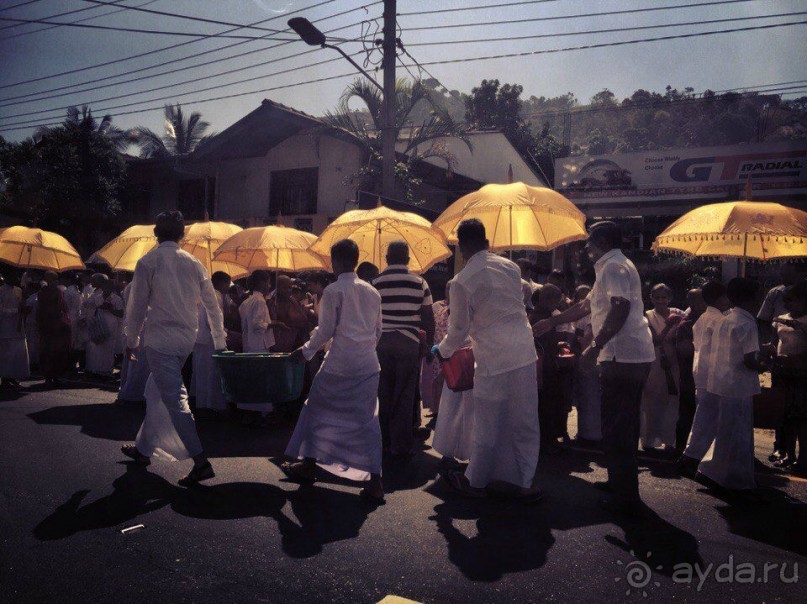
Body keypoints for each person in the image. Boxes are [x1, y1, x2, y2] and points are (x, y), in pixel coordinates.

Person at [534, 221, 655, 515]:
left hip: (622, 356)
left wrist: (597, 345)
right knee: (617, 425)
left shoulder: (614, 267)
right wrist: (552, 321)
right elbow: (586, 307)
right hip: (626, 355)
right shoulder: (611, 267)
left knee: (619, 427)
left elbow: (620, 307)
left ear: (601, 241)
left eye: (589, 241)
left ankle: (625, 497)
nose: (586, 246)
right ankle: (620, 484)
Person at [435, 219, 541, 501]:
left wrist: (441, 351)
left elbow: (458, 331)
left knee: (486, 425)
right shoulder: (511, 267)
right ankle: (525, 484)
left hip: (492, 360)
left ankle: (477, 483)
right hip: (524, 352)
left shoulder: (461, 281)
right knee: (525, 421)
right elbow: (519, 298)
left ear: (460, 246)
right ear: (486, 242)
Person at [121, 210, 226, 486]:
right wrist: (220, 342)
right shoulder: (194, 263)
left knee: (175, 399)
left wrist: (131, 341)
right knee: (154, 391)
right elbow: (213, 306)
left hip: (159, 341)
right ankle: (143, 450)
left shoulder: (148, 261)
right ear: (182, 235)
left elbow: (136, 308)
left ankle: (201, 463)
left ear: (156, 234)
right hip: (184, 341)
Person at [282, 239, 385, 504]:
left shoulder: (333, 290)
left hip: (339, 364)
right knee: (367, 421)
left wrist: (304, 352)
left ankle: (309, 463)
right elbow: (377, 332)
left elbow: (326, 331)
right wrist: (361, 350)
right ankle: (375, 482)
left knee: (315, 409)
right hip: (367, 365)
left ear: (335, 261)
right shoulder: (372, 292)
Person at [698, 278, 770, 491]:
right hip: (738, 385)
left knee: (726, 431)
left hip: (723, 383)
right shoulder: (746, 322)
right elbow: (749, 360)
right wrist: (766, 364)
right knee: (739, 435)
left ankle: (714, 471)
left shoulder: (726, 318)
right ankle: (737, 482)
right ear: (753, 298)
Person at [374, 241, 435, 458]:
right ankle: (400, 446)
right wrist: (429, 345)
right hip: (409, 343)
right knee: (404, 395)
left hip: (382, 343)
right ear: (408, 260)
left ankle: (383, 442)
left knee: (383, 393)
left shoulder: (376, 283)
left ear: (387, 258)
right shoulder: (419, 282)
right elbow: (428, 316)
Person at [678, 281, 731, 475]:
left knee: (704, 417)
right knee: (707, 419)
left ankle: (694, 455)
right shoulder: (719, 320)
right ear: (720, 298)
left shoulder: (704, 318)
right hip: (713, 375)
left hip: (702, 373)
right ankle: (692, 457)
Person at [431, 278, 475, 463]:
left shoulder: (460, 310)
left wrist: (441, 349)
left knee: (452, 410)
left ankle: (449, 453)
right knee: (467, 411)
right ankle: (465, 453)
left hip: (458, 361)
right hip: (471, 362)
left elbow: (456, 334)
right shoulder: (475, 308)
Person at [640, 284, 686, 451]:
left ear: (670, 298)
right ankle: (649, 440)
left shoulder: (679, 313)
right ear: (651, 298)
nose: (661, 301)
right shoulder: (646, 316)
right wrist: (669, 325)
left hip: (673, 363)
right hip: (654, 362)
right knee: (651, 402)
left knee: (672, 402)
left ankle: (669, 440)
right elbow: (655, 340)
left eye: (664, 297)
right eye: (657, 297)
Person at [769, 282, 807, 472]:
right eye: (785, 301)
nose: (788, 305)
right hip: (782, 371)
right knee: (784, 416)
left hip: (801, 374)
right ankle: (788, 454)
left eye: (791, 301)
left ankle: (803, 459)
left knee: (800, 417)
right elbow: (775, 342)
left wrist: (800, 327)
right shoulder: (781, 319)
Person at [530, 284, 571, 453]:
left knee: (550, 403)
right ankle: (546, 440)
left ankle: (548, 438)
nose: (554, 303)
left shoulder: (550, 317)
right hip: (541, 369)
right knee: (544, 404)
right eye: (551, 299)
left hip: (549, 367)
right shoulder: (537, 318)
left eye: (556, 298)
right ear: (542, 299)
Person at [671, 288, 707, 454]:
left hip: (706, 376)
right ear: (691, 302)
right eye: (697, 300)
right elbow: (683, 351)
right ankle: (681, 449)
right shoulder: (686, 324)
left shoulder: (710, 321)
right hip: (689, 377)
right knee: (687, 413)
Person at [191, 271, 230, 418]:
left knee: (200, 372)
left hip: (199, 338)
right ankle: (209, 405)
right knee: (210, 374)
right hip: (210, 340)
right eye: (227, 283)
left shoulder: (203, 294)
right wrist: (224, 335)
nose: (228, 287)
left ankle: (201, 402)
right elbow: (213, 321)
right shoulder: (216, 296)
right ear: (221, 283)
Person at [83, 274, 124, 378]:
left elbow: (121, 313)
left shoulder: (116, 299)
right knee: (96, 348)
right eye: (105, 287)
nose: (106, 289)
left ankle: (105, 371)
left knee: (108, 349)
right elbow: (87, 304)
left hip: (111, 326)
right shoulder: (97, 297)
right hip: (99, 324)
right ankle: (94, 370)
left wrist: (110, 309)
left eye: (109, 287)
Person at [36, 271, 72, 387]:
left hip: (47, 325)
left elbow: (39, 309)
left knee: (48, 351)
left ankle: (49, 376)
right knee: (54, 351)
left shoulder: (42, 292)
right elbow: (63, 307)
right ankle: (53, 376)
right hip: (54, 325)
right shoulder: (56, 291)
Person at [117, 280, 150, 404]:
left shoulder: (133, 285)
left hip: (134, 329)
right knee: (137, 363)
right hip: (138, 330)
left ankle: (127, 390)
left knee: (131, 362)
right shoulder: (139, 286)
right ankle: (133, 393)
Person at [268, 275, 316, 353]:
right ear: (278, 288)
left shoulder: (292, 300)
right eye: (284, 288)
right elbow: (268, 323)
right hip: (280, 345)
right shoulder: (272, 303)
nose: (288, 290)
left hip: (298, 341)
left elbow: (301, 313)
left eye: (290, 287)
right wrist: (278, 323)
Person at [0, 274, 30, 388]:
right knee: (6, 354)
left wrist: (24, 307)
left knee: (18, 353)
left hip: (18, 326)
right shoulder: (1, 290)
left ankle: (13, 376)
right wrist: (15, 310)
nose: (15, 278)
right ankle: (5, 377)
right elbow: (1, 310)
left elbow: (22, 307)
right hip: (6, 326)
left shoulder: (19, 290)